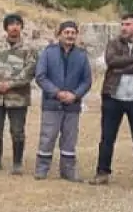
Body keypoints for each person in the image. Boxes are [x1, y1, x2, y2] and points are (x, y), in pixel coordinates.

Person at [91, 12, 133, 189]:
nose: (124, 28)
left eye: (128, 24)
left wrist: (122, 69)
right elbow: (111, 61)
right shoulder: (114, 42)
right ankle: (102, 173)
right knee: (107, 138)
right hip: (113, 96)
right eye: (122, 24)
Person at [34, 21, 92, 181]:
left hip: (72, 105)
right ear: (59, 34)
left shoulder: (81, 55)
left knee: (69, 138)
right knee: (48, 136)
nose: (70, 35)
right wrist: (57, 92)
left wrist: (75, 95)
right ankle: (42, 169)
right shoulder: (48, 53)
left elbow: (87, 81)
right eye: (66, 32)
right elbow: (40, 76)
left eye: (73, 32)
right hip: (52, 103)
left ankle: (68, 171)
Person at [0, 13, 38, 174]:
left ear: (21, 27)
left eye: (17, 24)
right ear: (6, 27)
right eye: (11, 24)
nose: (14, 27)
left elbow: (29, 71)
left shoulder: (29, 48)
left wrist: (10, 84)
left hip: (18, 98)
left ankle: (17, 163)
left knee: (17, 132)